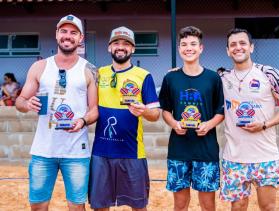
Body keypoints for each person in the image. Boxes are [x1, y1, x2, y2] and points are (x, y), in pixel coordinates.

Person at [15, 14, 98, 211]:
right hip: (44, 150)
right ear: (56, 34)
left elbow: (94, 110)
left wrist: (83, 121)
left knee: (77, 207)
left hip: (77, 151)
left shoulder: (90, 69)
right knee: (38, 206)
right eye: (64, 31)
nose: (67, 36)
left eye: (73, 32)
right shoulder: (40, 66)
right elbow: (19, 100)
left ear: (80, 38)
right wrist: (27, 104)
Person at [218, 28, 279, 211]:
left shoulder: (268, 73)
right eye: (233, 45)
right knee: (238, 207)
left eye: (242, 43)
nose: (238, 47)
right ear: (228, 51)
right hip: (234, 158)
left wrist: (264, 124)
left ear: (251, 47)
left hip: (266, 157)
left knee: (268, 207)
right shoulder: (222, 78)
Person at [89, 26, 160, 211]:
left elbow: (155, 115)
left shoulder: (144, 76)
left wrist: (143, 110)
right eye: (116, 43)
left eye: (126, 44)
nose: (121, 47)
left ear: (133, 49)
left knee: (138, 206)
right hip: (101, 151)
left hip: (132, 152)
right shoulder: (99, 73)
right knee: (99, 206)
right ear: (109, 47)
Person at [159, 26, 225, 211]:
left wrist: (209, 124)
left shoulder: (213, 78)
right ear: (179, 49)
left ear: (201, 48)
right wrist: (174, 123)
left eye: (193, 44)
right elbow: (165, 110)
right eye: (184, 44)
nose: (189, 48)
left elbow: (221, 111)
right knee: (180, 205)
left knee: (207, 205)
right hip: (179, 150)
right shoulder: (171, 77)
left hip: (206, 149)